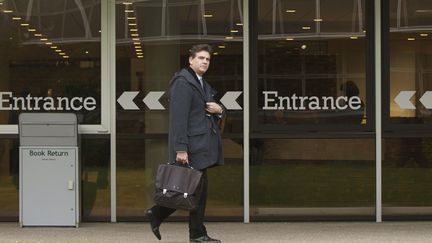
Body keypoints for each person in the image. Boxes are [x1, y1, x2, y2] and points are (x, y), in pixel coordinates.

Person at [145, 44, 224, 243]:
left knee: (194, 191)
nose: (205, 61)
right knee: (192, 190)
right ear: (191, 60)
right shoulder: (183, 82)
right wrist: (180, 148)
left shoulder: (200, 82)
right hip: (192, 146)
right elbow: (178, 119)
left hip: (201, 146)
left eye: (208, 59)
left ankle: (160, 215)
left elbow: (208, 110)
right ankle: (195, 233)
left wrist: (220, 110)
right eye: (201, 58)